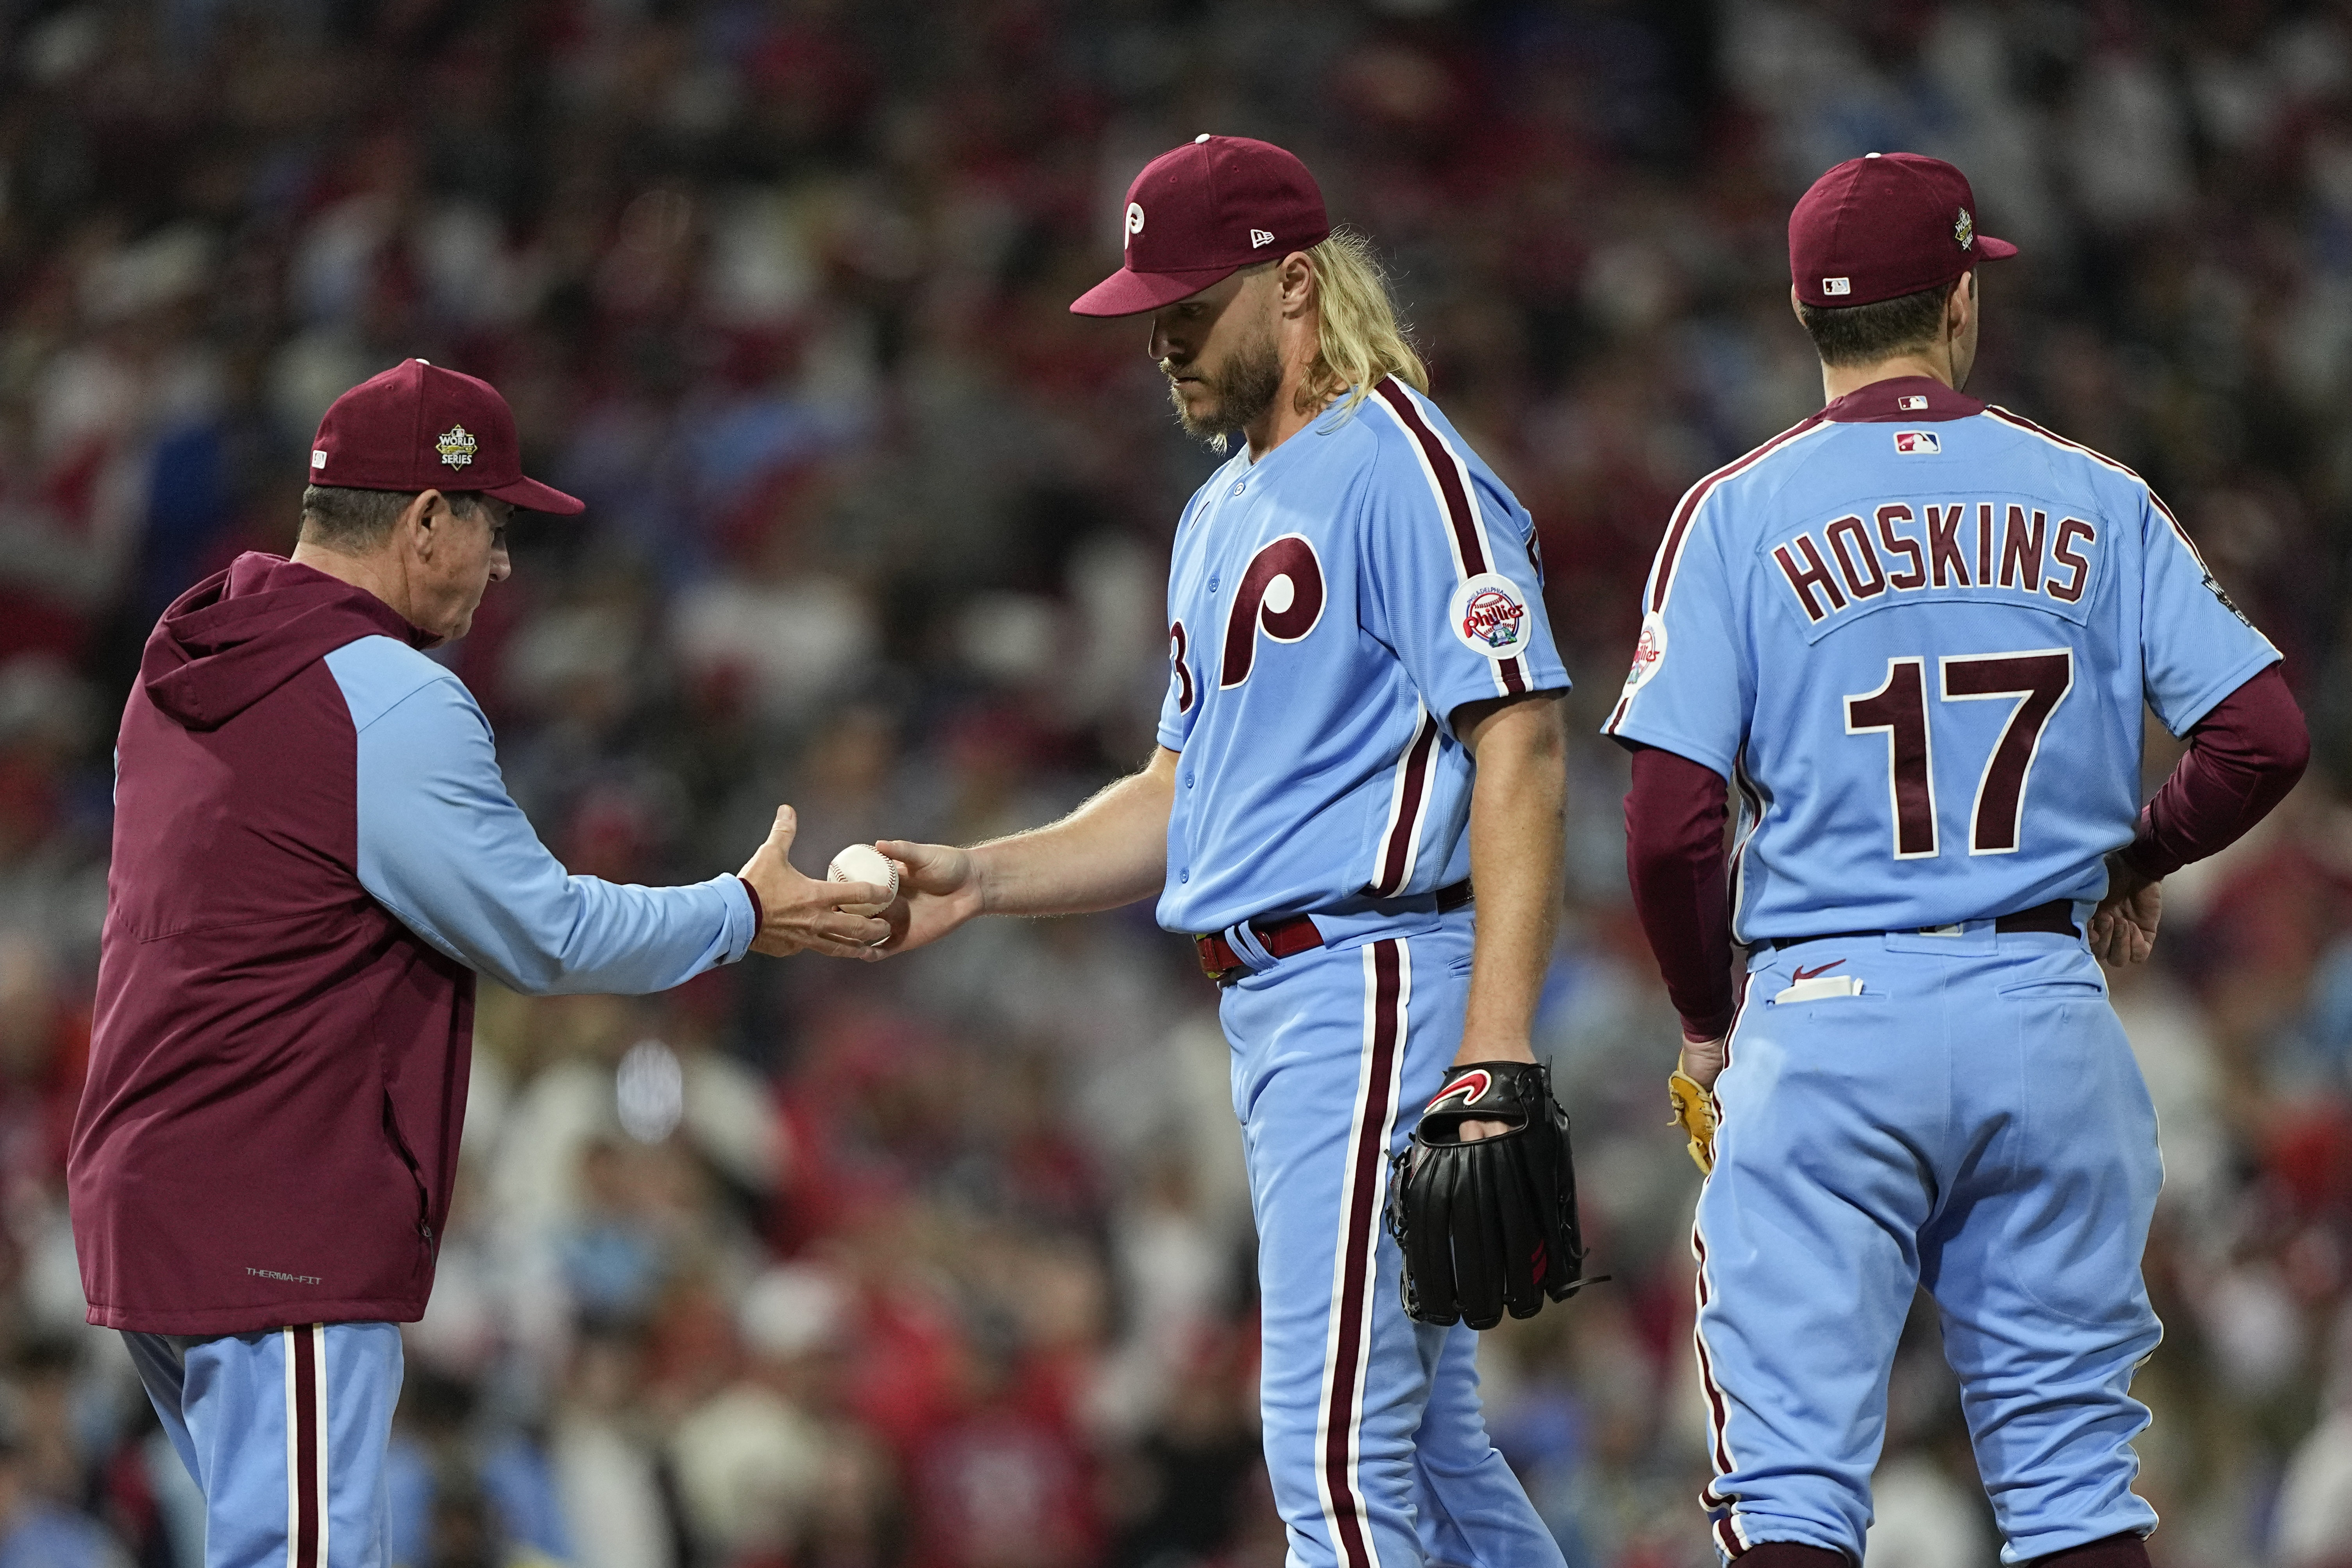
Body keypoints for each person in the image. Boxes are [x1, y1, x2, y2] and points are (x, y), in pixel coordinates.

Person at [871, 135, 1572, 1568]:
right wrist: (986, 873)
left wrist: (1497, 1053)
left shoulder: (1406, 469)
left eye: (1188, 305)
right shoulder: (1219, 508)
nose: (1161, 340)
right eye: (1149, 312)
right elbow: (1179, 794)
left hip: (1371, 976)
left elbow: (1522, 742)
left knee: (1328, 1447)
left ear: (1295, 287)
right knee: (1426, 1449)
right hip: (1280, 1002)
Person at [1606, 153, 2311, 1566]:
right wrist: (2126, 860)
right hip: (2042, 1008)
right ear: (1961, 305)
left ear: (1805, 313)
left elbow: (1672, 819)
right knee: (2070, 1486)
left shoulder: (1736, 511)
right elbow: (2263, 736)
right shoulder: (2092, 496)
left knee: (1793, 1485)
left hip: (1824, 1014)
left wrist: (1700, 1020)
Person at [68, 359, 891, 1568]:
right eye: (493, 524)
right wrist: (738, 912)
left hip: (151, 1183)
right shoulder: (384, 694)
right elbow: (544, 932)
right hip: (273, 1201)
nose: (505, 564)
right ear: (425, 518)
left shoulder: (183, 658)